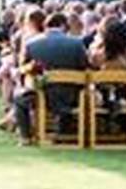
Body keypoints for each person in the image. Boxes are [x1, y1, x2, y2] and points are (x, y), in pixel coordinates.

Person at [13, 12, 88, 145]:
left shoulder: (32, 45)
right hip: (73, 96)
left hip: (44, 95)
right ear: (64, 26)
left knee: (19, 99)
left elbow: (24, 69)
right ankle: (64, 133)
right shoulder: (77, 44)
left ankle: (25, 136)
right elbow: (84, 68)